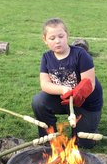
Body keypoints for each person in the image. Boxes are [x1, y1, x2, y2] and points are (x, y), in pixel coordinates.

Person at [32, 18, 103, 149]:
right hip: (63, 99)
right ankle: (49, 137)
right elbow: (45, 84)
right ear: (45, 40)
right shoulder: (46, 57)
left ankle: (90, 128)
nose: (57, 41)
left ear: (67, 35)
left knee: (82, 144)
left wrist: (77, 93)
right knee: (38, 101)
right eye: (52, 38)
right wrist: (64, 90)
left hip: (86, 103)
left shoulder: (81, 55)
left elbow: (90, 83)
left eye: (61, 36)